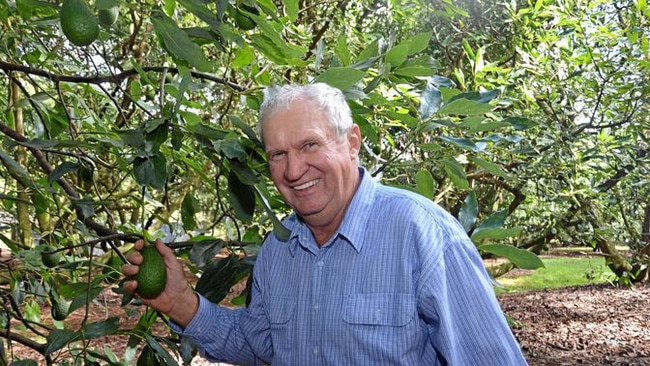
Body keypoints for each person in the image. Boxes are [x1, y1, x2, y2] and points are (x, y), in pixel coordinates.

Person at [122, 83, 529, 365]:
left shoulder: (422, 235)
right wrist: (179, 303)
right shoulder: (278, 249)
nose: (294, 169)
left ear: (351, 142)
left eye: (309, 145)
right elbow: (262, 346)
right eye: (277, 154)